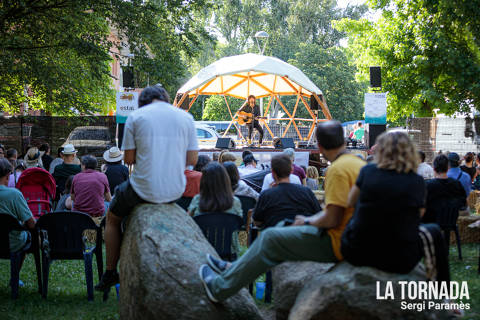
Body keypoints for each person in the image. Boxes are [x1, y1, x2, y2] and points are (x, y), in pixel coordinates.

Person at [198, 120, 365, 303]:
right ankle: (233, 268)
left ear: (319, 146)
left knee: (270, 237)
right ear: (343, 140)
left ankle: (219, 288)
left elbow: (333, 218)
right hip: (350, 236)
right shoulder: (356, 163)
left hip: (338, 242)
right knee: (280, 228)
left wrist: (308, 222)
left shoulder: (338, 170)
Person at [96, 85, 198, 291]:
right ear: (166, 99)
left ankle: (109, 272)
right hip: (175, 189)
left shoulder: (136, 117)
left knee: (112, 219)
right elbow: (192, 159)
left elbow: (129, 159)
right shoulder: (186, 118)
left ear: (142, 102)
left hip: (143, 189)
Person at [342, 131, 425, 273]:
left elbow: (350, 201)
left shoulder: (367, 171)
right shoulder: (417, 180)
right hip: (402, 258)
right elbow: (420, 214)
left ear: (381, 149)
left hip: (358, 252)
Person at [188, 162, 243, 254]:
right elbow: (239, 224)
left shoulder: (197, 200)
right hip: (230, 251)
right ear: (225, 180)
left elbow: (188, 222)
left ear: (203, 181)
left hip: (203, 251)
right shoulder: (235, 202)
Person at [252, 154, 321, 228]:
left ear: (272, 172)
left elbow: (257, 221)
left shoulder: (266, 195)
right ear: (291, 170)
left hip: (275, 236)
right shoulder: (306, 192)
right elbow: (318, 215)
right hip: (300, 235)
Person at [0, 158, 35, 255]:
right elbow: (31, 223)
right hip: (13, 243)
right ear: (8, 176)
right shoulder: (15, 194)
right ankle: (16, 269)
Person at [422, 154, 466, 224]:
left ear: (434, 168)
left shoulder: (428, 185)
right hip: (450, 222)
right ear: (448, 168)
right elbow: (463, 204)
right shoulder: (457, 184)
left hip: (431, 223)